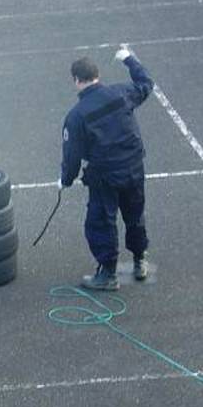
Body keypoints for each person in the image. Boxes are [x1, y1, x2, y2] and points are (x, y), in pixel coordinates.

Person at [60, 45, 155, 291]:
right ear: (97, 75)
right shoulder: (121, 93)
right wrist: (129, 60)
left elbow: (72, 155)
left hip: (105, 176)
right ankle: (139, 261)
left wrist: (66, 180)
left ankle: (108, 274)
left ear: (76, 80)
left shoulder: (77, 115)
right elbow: (145, 83)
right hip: (134, 167)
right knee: (135, 216)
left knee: (101, 221)